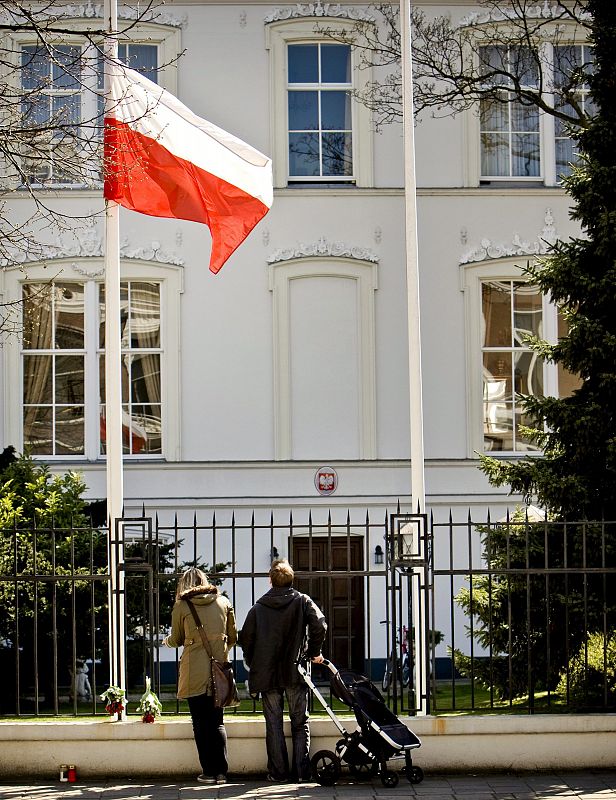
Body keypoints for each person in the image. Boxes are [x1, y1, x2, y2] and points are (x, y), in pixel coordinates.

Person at [239, 558, 327, 783]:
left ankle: (278, 773)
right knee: (300, 722)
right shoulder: (302, 601)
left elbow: (245, 638)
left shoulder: (258, 608)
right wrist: (313, 651)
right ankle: (301, 773)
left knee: (274, 723)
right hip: (295, 671)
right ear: (291, 579)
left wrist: (253, 661)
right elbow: (320, 624)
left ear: (270, 581)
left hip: (267, 674)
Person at [163, 567, 237, 785]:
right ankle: (222, 773)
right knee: (217, 722)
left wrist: (167, 641)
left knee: (200, 723)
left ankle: (208, 772)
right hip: (219, 670)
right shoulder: (223, 602)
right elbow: (232, 637)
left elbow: (176, 639)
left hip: (193, 669)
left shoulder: (181, 605)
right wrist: (218, 650)